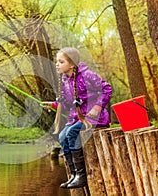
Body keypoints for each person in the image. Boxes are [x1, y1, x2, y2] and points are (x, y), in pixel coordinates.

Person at [43, 47, 112, 189]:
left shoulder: (87, 75)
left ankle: (81, 176)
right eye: (57, 61)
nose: (57, 64)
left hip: (94, 118)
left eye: (61, 62)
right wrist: (55, 105)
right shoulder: (65, 80)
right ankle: (74, 174)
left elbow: (107, 89)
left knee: (71, 133)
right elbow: (68, 104)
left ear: (72, 64)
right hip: (76, 118)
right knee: (62, 136)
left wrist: (98, 107)